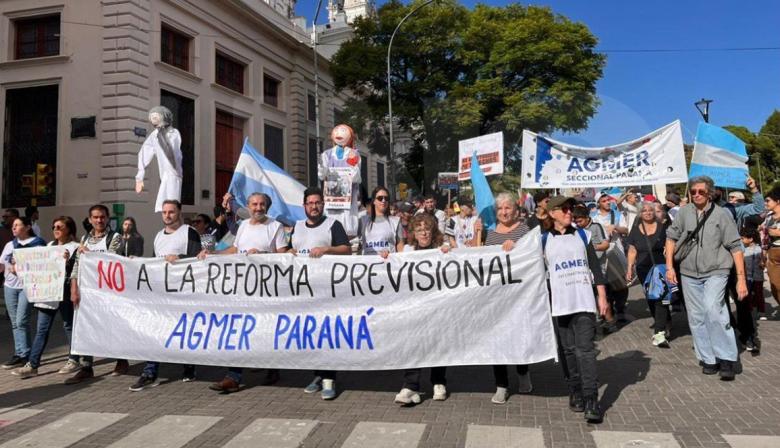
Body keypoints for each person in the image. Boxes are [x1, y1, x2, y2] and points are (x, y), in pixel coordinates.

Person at [200, 192, 288, 393]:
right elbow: (235, 250)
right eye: (254, 204)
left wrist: (263, 255)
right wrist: (214, 255)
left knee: (264, 330)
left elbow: (283, 256)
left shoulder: (276, 226)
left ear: (267, 206)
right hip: (241, 290)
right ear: (248, 206)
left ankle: (272, 367)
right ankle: (234, 376)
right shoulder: (243, 226)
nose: (258, 208)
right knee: (238, 330)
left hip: (266, 290)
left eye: (262, 204)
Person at [665, 176, 747, 381]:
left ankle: (727, 357)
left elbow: (736, 247)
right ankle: (708, 358)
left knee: (714, 310)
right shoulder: (683, 213)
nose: (696, 195)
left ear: (709, 193)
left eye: (701, 191)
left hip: (717, 269)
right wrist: (669, 268)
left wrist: (741, 279)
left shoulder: (722, 214)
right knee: (696, 316)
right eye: (693, 192)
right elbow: (670, 238)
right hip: (688, 271)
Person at [541, 196, 609, 423]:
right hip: (559, 304)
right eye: (564, 209)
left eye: (571, 209)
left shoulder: (582, 235)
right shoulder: (542, 240)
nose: (569, 212)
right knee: (568, 351)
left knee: (585, 350)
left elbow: (595, 268)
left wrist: (602, 297)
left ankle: (591, 398)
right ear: (552, 213)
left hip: (583, 301)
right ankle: (575, 391)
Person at [130, 200, 200, 391]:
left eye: (171, 212)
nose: (167, 215)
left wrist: (180, 259)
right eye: (164, 212)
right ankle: (150, 371)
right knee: (156, 330)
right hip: (161, 293)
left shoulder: (188, 232)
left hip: (184, 292)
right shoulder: (159, 236)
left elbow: (198, 259)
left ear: (179, 212)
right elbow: (154, 263)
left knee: (183, 330)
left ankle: (189, 367)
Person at [289, 187, 351, 400]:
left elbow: (346, 249)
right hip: (303, 291)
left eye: (317, 203)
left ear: (323, 205)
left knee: (327, 333)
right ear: (304, 206)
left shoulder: (333, 225)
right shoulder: (296, 227)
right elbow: (291, 249)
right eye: (310, 203)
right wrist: (289, 253)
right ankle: (317, 375)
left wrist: (327, 250)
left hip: (326, 290)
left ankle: (329, 378)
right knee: (311, 334)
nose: (314, 207)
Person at [472, 192, 531, 404]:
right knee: (497, 340)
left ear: (516, 210)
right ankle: (502, 385)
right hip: (496, 297)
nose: (504, 212)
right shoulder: (491, 233)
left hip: (518, 296)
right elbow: (479, 259)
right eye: (500, 209)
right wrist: (476, 234)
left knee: (518, 338)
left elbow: (532, 256)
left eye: (508, 208)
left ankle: (523, 372)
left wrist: (516, 248)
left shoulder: (525, 230)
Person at [66, 204, 128, 384]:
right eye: (95, 217)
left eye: (102, 217)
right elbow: (78, 264)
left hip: (109, 292)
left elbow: (111, 260)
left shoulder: (114, 238)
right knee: (84, 326)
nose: (99, 220)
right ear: (90, 219)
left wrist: (89, 254)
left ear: (107, 218)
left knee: (112, 326)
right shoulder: (85, 239)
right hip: (88, 291)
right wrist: (74, 288)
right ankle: (86, 366)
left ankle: (121, 360)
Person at [13, 217, 81, 378]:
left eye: (60, 227)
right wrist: (20, 266)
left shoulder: (75, 247)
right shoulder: (49, 246)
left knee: (69, 325)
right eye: (54, 226)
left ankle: (74, 358)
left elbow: (77, 270)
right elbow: (38, 266)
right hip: (48, 293)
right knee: (42, 329)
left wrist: (67, 261)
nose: (56, 229)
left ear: (69, 229)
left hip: (64, 291)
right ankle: (33, 364)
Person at [393, 213, 450, 405]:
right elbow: (393, 268)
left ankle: (439, 382)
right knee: (413, 344)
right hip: (415, 308)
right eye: (419, 230)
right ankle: (411, 385)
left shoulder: (443, 249)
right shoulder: (407, 250)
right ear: (414, 234)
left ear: (433, 230)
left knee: (437, 342)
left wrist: (450, 253)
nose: (424, 233)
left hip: (438, 306)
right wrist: (386, 257)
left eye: (427, 229)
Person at [0, 217, 47, 369]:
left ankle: (25, 354)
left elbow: (45, 264)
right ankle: (20, 353)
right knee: (15, 323)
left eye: (17, 225)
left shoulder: (38, 243)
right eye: (13, 225)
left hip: (28, 286)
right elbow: (2, 264)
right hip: (10, 286)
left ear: (27, 227)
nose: (13, 228)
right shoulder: (9, 245)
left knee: (21, 320)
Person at [625, 202, 673, 348]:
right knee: (651, 298)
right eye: (644, 211)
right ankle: (665, 321)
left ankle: (659, 332)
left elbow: (671, 245)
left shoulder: (664, 228)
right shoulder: (635, 231)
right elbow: (632, 251)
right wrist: (629, 268)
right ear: (640, 214)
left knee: (660, 297)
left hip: (661, 267)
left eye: (650, 210)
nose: (648, 213)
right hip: (643, 268)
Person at [572, 205, 614, 333]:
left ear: (587, 218)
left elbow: (605, 244)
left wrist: (591, 247)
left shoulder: (596, 227)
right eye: (576, 221)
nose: (579, 224)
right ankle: (596, 320)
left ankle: (610, 321)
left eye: (581, 221)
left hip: (598, 267)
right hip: (584, 268)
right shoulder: (576, 231)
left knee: (600, 295)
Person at [135, 106, 183, 212]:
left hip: (174, 173)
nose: (153, 121)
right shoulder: (155, 135)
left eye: (156, 117)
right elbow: (144, 152)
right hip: (165, 174)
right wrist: (140, 176)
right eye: (152, 118)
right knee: (163, 204)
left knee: (172, 203)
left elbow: (171, 152)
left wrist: (162, 134)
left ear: (164, 117)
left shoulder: (174, 133)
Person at [592, 192, 629, 323]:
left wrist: (616, 228)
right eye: (604, 201)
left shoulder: (617, 214)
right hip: (601, 255)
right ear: (598, 203)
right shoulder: (593, 218)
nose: (608, 202)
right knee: (604, 283)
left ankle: (620, 309)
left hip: (616, 251)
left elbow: (626, 230)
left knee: (620, 283)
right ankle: (607, 311)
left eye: (608, 200)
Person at [358, 187, 404, 256]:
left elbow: (400, 248)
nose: (383, 201)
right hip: (368, 264)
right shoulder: (363, 220)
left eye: (386, 198)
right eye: (380, 198)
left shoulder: (396, 221)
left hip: (388, 264)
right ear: (374, 201)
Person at [739, 226, 763, 352]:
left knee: (747, 303)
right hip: (746, 278)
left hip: (750, 278)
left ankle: (748, 336)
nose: (741, 239)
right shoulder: (745, 249)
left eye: (742, 237)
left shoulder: (756, 250)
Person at [763, 187, 780, 316]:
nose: (766, 203)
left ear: (777, 201)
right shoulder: (768, 217)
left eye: (768, 200)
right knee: (774, 285)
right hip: (773, 252)